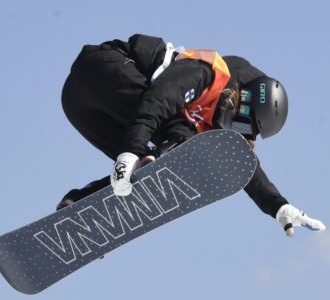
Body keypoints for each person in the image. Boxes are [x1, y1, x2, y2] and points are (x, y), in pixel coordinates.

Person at [58, 33, 325, 237]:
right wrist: (132, 149)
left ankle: (79, 207)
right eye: (243, 124)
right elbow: (159, 99)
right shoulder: (210, 72)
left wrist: (278, 206)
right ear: (244, 99)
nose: (238, 130)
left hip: (80, 106)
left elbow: (241, 161)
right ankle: (155, 158)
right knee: (181, 134)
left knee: (133, 172)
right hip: (103, 69)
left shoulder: (217, 120)